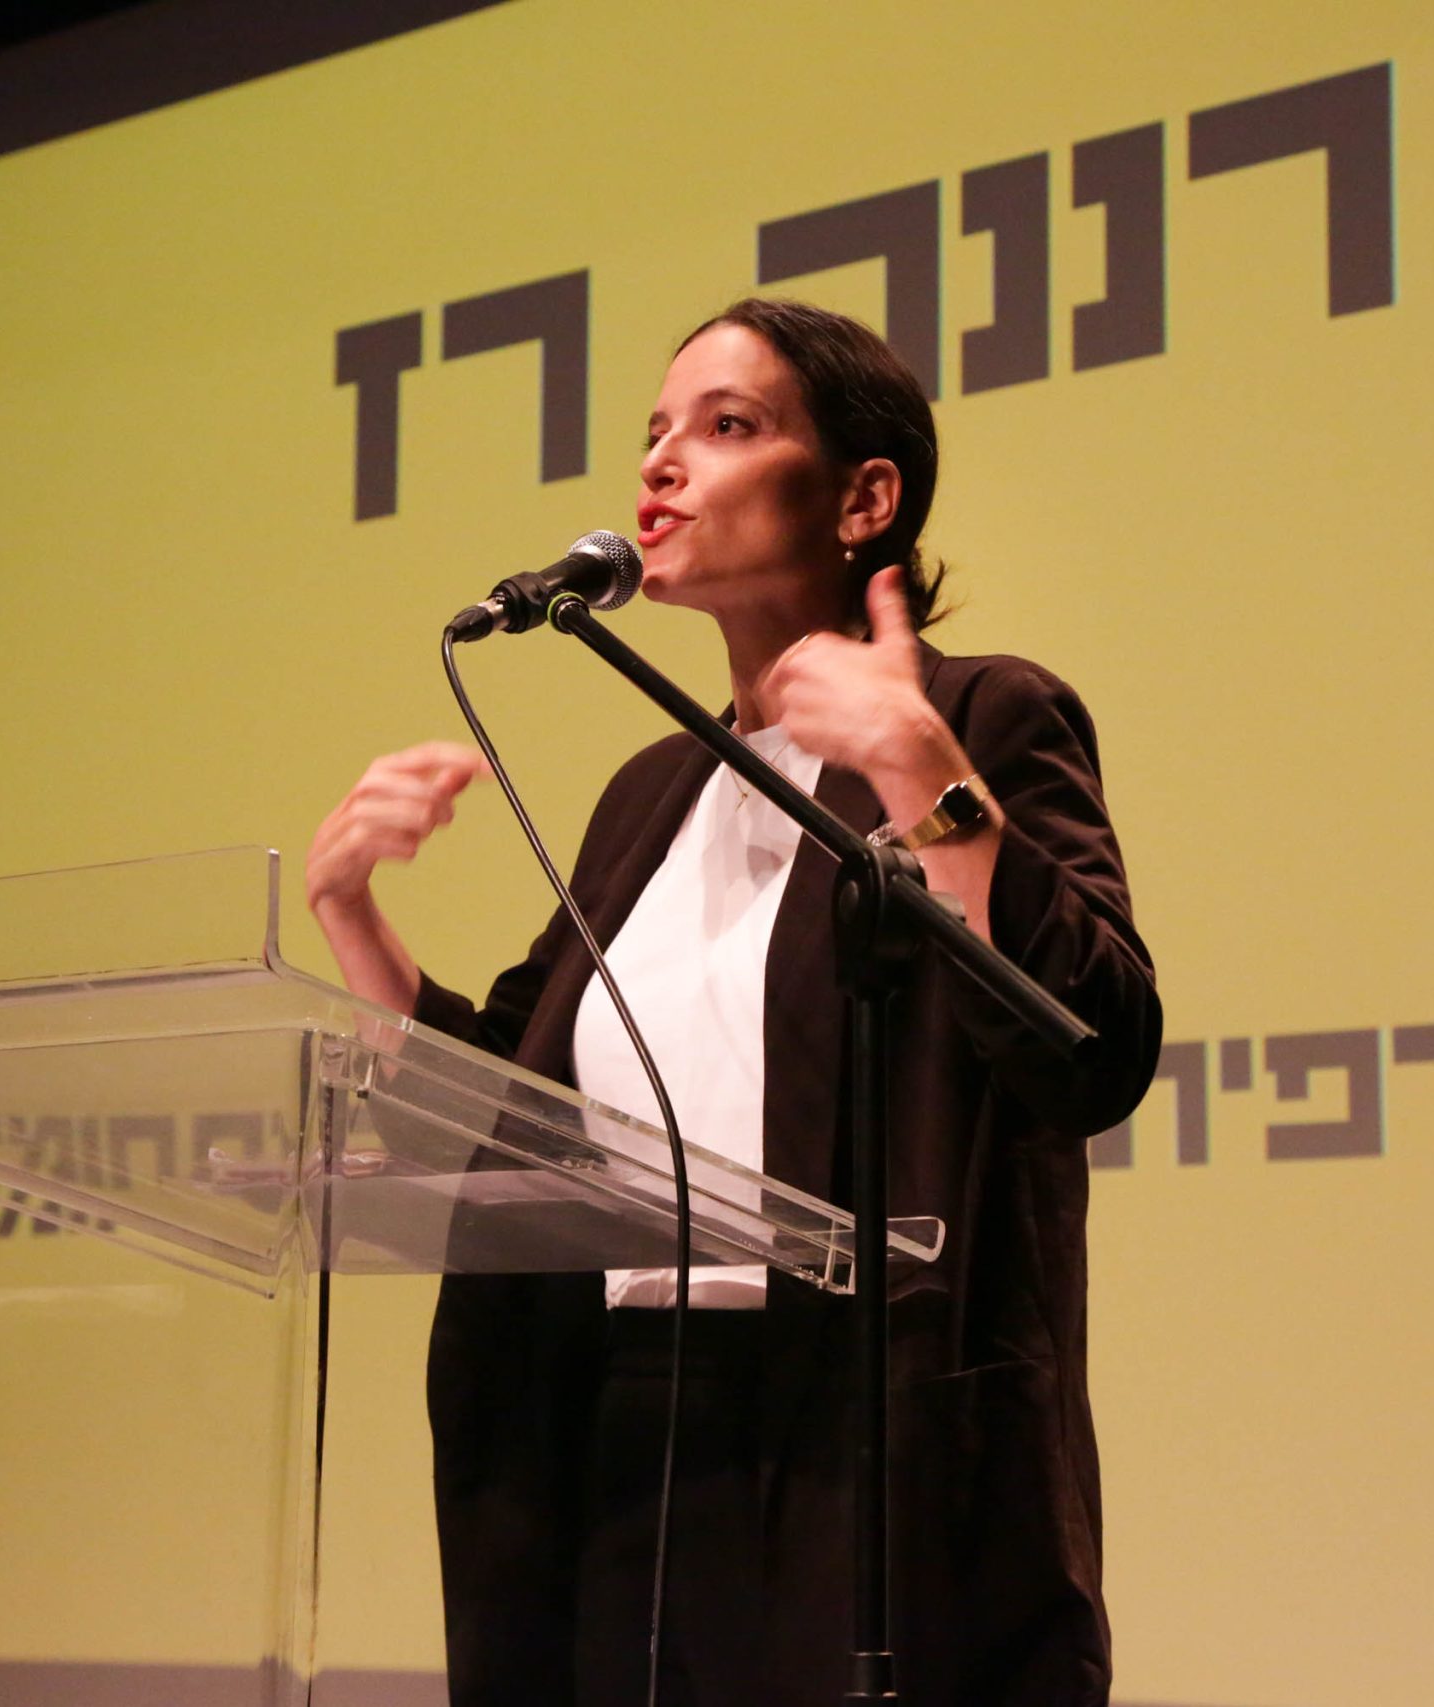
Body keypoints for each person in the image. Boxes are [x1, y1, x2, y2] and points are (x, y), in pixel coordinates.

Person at [306, 298, 1160, 1707]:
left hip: (862, 1446)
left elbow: (1098, 1045)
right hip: (614, 1437)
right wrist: (353, 917)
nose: (659, 463)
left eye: (726, 425)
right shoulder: (652, 793)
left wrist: (924, 775)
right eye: (654, 432)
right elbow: (504, 1115)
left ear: (865, 498)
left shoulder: (983, 719)